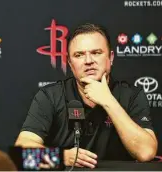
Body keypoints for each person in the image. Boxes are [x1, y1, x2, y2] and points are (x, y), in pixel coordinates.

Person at [15, 23, 158, 168]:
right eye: (79, 55)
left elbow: (146, 153)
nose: (88, 61)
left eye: (96, 52)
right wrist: (61, 157)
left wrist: (108, 101)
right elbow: (21, 153)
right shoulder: (50, 96)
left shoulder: (131, 96)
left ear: (111, 58)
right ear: (70, 64)